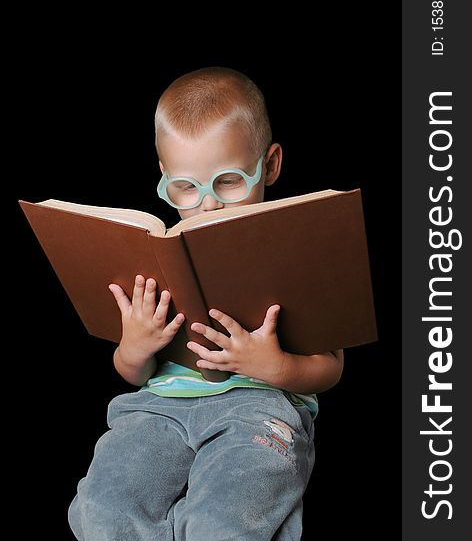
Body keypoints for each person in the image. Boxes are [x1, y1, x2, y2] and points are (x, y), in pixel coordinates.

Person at [68, 67, 344, 540]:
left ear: (270, 164)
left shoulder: (301, 245)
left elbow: (332, 368)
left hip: (259, 408)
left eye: (230, 181)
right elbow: (132, 373)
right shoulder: (157, 254)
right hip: (157, 407)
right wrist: (134, 347)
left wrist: (271, 365)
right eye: (186, 187)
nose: (208, 205)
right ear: (164, 176)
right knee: (100, 510)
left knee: (222, 523)